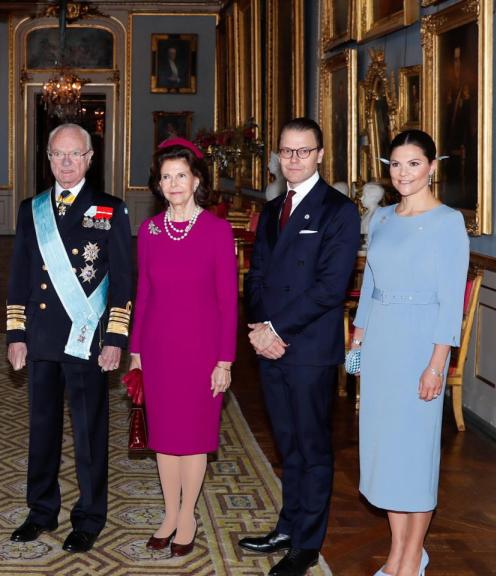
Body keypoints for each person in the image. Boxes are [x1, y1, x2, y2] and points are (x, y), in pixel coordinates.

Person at [240, 117, 361, 576]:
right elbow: (257, 276)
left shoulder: (339, 210)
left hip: (307, 349)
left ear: (320, 155)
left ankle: (307, 544)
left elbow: (331, 288)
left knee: (312, 449)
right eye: (286, 152)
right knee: (287, 445)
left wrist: (276, 329)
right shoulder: (272, 210)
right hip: (268, 346)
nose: (292, 160)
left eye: (302, 151)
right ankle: (287, 526)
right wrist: (256, 326)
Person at [6, 123, 132, 553]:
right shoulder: (31, 209)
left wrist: (115, 338)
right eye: (58, 154)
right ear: (47, 157)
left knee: (89, 434)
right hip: (41, 340)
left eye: (74, 154)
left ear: (90, 159)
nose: (65, 162)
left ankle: (90, 516)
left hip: (87, 341)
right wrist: (16, 334)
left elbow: (123, 283)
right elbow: (20, 275)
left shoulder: (111, 209)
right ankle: (41, 511)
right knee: (41, 432)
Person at [352, 130, 468, 576]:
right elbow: (371, 287)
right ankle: (400, 551)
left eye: (413, 164)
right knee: (387, 455)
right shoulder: (380, 218)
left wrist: (437, 365)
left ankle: (412, 556)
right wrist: (357, 345)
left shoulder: (448, 222)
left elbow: (449, 299)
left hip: (420, 345)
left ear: (432, 167)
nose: (403, 173)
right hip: (380, 345)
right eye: (396, 164)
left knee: (415, 457)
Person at [129, 138, 237, 557]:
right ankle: (169, 513)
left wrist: (225, 360)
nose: (173, 183)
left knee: (193, 436)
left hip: (202, 350)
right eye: (166, 177)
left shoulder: (216, 230)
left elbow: (229, 300)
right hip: (158, 347)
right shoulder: (151, 231)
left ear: (196, 180)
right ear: (158, 184)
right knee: (164, 436)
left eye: (181, 175)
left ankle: (187, 514)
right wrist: (136, 350)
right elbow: (145, 292)